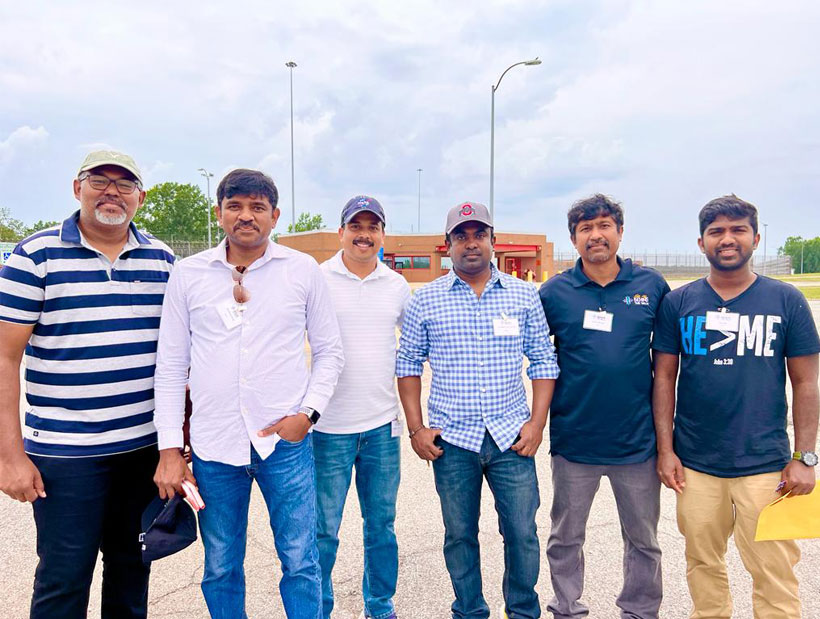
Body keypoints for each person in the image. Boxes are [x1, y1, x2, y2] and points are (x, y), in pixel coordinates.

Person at [152, 169, 344, 619]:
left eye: (257, 207)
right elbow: (170, 367)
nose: (246, 216)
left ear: (274, 216)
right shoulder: (189, 274)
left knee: (300, 561)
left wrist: (308, 415)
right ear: (219, 213)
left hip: (284, 445)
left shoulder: (302, 271)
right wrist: (169, 450)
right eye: (235, 206)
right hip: (215, 448)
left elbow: (330, 352)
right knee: (220, 566)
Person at [0, 150, 175, 618]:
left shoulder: (163, 260)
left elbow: (181, 357)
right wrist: (10, 455)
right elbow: (3, 357)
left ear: (141, 196)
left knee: (132, 570)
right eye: (99, 180)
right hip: (64, 455)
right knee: (63, 577)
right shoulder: (33, 256)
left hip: (141, 450)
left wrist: (176, 446)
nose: (112, 191)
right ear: (77, 188)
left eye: (124, 183)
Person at [652, 194, 820, 619]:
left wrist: (805, 456)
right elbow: (664, 380)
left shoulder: (786, 300)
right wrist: (667, 450)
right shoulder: (679, 302)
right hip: (696, 464)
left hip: (766, 466)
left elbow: (806, 382)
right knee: (703, 566)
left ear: (756, 238)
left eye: (737, 229)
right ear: (701, 242)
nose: (727, 239)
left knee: (774, 574)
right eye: (716, 232)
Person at [396, 201, 559, 619]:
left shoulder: (523, 295)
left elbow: (543, 360)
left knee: (522, 533)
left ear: (492, 240)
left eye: (479, 235)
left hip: (512, 439)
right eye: (461, 236)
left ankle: (523, 611)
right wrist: (416, 429)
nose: (471, 244)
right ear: (447, 244)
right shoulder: (425, 300)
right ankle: (469, 611)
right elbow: (408, 364)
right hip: (453, 442)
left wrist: (537, 424)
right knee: (459, 535)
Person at [539, 194, 669, 619]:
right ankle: (567, 606)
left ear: (619, 231)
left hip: (637, 443)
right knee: (565, 537)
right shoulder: (554, 293)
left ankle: (639, 610)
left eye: (604, 225)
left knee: (644, 540)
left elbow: (670, 363)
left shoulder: (650, 286)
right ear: (574, 239)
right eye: (585, 228)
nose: (595, 234)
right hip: (575, 441)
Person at [314, 195, 411, 619]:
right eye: (356, 226)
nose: (364, 234)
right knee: (322, 531)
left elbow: (414, 349)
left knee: (382, 528)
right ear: (341, 232)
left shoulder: (397, 285)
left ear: (382, 236)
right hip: (327, 429)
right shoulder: (316, 279)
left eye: (373, 227)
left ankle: (379, 604)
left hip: (381, 429)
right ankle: (319, 605)